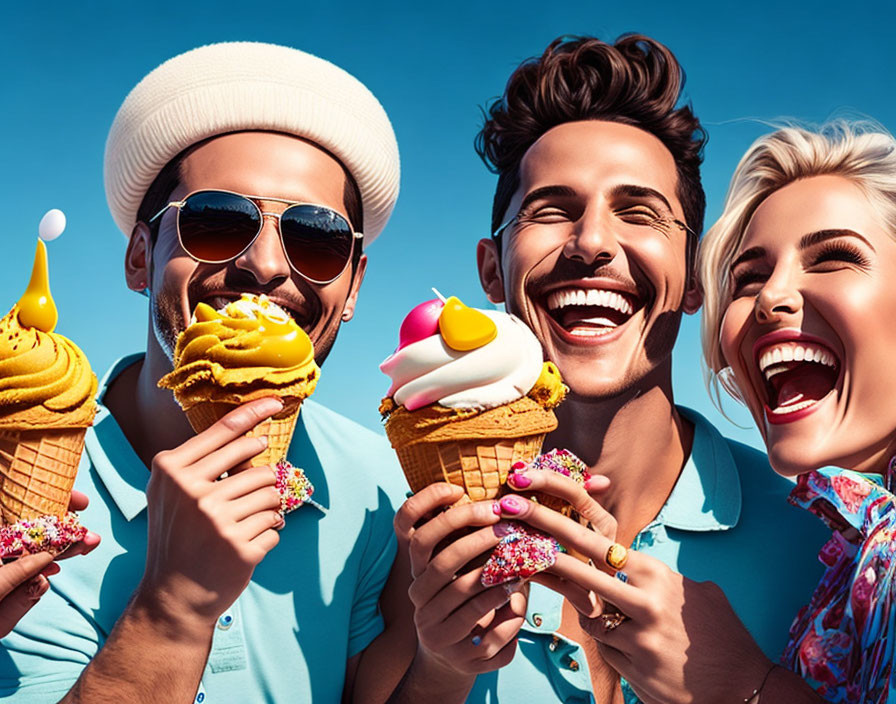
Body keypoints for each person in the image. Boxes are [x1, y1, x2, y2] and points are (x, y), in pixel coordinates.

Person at [390, 35, 829, 703]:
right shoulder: (421, 550)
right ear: (490, 270)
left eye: (640, 213)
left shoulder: (822, 544)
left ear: (694, 277)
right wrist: (441, 670)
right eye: (551, 210)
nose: (592, 242)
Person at [0, 42, 413, 703]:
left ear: (354, 285)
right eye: (217, 221)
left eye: (318, 237)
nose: (268, 265)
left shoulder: (382, 493)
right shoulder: (19, 497)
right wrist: (174, 607)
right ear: (140, 258)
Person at [695, 121, 896, 701]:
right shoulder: (843, 552)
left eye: (832, 258)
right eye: (748, 277)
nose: (769, 296)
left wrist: (742, 684)